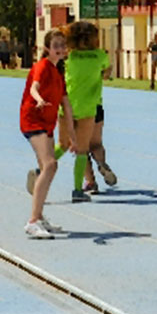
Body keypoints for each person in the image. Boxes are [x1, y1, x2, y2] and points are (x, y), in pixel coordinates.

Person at [20, 29, 76, 239]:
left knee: (47, 167)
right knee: (51, 164)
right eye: (56, 46)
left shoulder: (58, 72)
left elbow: (66, 105)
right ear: (47, 49)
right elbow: (34, 87)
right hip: (32, 120)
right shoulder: (42, 66)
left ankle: (39, 216)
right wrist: (38, 98)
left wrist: (72, 134)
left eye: (63, 45)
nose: (61, 49)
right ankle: (32, 221)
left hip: (48, 122)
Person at [64, 21, 115, 201]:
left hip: (73, 106)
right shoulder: (100, 55)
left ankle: (90, 181)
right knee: (96, 143)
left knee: (81, 148)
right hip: (95, 105)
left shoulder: (69, 57)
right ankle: (101, 163)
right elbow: (107, 72)